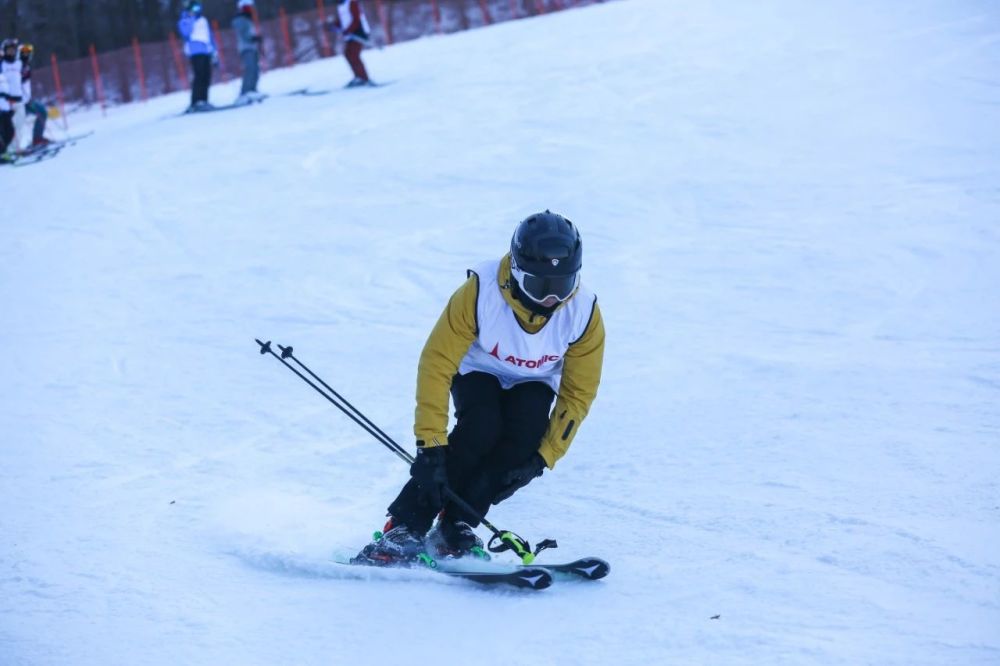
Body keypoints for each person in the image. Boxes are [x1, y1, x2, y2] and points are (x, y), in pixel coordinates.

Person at [354, 211, 606, 564]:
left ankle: (456, 526)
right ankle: (406, 524)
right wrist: (430, 445)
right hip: (478, 370)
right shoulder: (480, 292)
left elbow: (578, 394)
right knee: (481, 426)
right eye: (539, 287)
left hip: (534, 382)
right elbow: (437, 363)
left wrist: (543, 457)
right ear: (517, 273)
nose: (551, 300)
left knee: (524, 437)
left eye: (561, 287)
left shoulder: (583, 313)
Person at [177, 1, 217, 111]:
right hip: (195, 51)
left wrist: (214, 51)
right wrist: (191, 18)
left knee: (206, 76)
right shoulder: (185, 20)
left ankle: (204, 100)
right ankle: (196, 101)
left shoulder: (203, 20)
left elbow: (210, 36)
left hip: (206, 50)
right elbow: (186, 33)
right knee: (199, 75)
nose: (196, 11)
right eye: (193, 9)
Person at [17, 43, 50, 150]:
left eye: (28, 52)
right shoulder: (16, 65)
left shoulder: (26, 66)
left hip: (27, 100)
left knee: (42, 111)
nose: (26, 54)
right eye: (24, 52)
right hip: (17, 102)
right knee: (15, 124)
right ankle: (10, 148)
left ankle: (37, 139)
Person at [334, 0, 374, 87]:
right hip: (350, 35)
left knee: (354, 55)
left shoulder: (351, 3)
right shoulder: (341, 6)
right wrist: (335, 25)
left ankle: (364, 78)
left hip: (359, 33)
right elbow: (342, 20)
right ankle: (358, 77)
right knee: (348, 54)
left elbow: (357, 19)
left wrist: (349, 30)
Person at [231, 0, 264, 104]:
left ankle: (252, 90)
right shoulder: (240, 19)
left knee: (255, 69)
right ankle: (246, 91)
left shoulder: (248, 18)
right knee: (250, 69)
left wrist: (256, 38)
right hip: (246, 48)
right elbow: (244, 34)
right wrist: (254, 38)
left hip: (252, 47)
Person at [0, 37, 23, 162]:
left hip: (11, 101)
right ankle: (6, 151)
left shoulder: (18, 63)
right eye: (8, 50)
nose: (11, 52)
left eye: (12, 50)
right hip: (4, 102)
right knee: (6, 129)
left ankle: (10, 150)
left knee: (13, 127)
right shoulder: (2, 65)